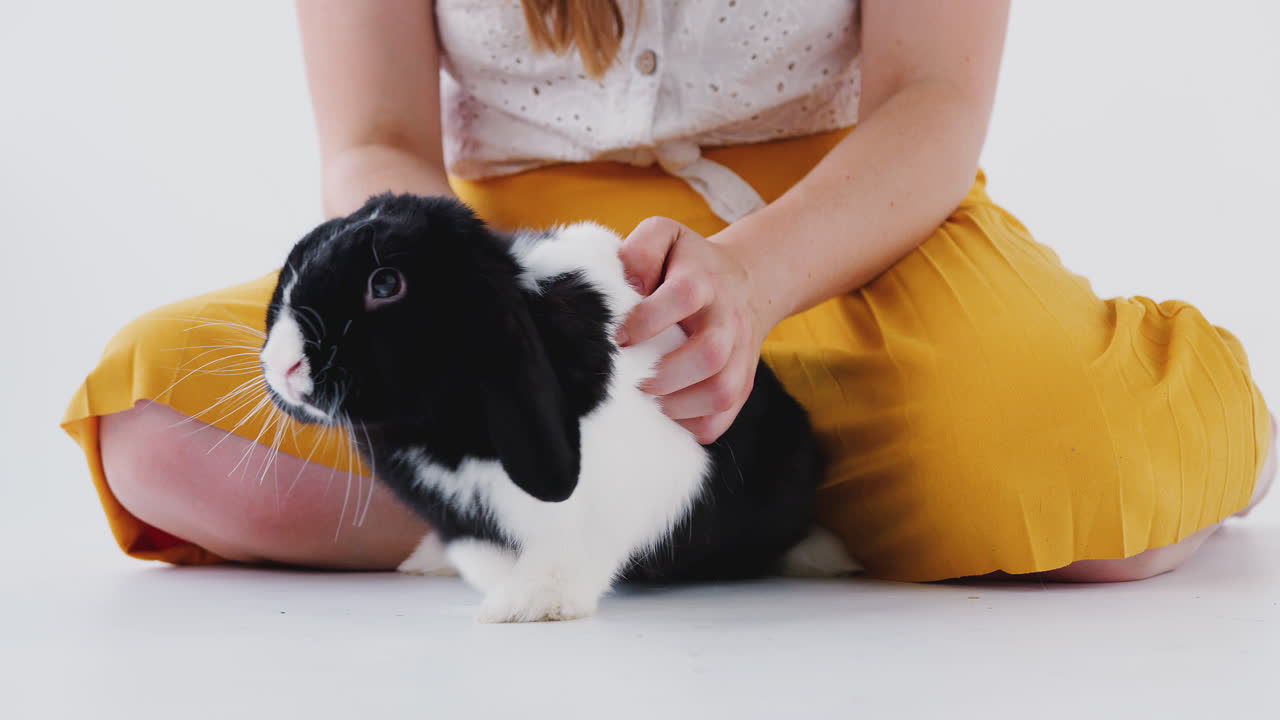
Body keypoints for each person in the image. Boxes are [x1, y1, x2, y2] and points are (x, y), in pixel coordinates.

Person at [64, 0, 1273, 582]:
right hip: (497, 264)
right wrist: (496, 320)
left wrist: (749, 282)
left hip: (841, 220)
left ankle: (605, 509)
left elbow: (931, 106)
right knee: (161, 429)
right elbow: (373, 142)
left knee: (1068, 473)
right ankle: (720, 507)